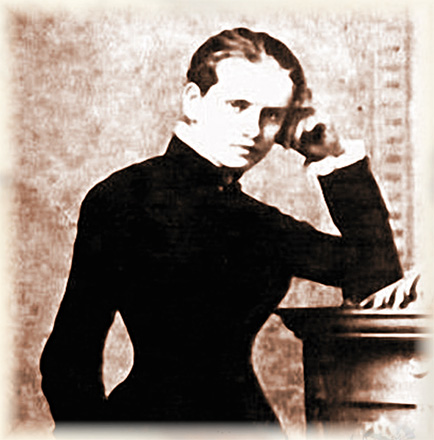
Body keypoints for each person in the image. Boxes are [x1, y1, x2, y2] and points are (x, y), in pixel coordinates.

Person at [40, 28, 403, 424]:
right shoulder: (123, 199)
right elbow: (68, 359)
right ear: (193, 101)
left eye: (271, 114)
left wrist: (331, 155)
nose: (253, 129)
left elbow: (378, 277)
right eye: (237, 105)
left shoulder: (259, 223)